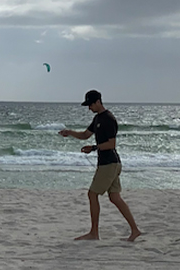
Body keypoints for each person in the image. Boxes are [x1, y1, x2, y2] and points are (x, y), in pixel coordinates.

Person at [58, 90, 141, 241]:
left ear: (98, 102)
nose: (89, 107)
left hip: (109, 163)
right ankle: (135, 230)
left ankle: (94, 233)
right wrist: (69, 132)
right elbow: (85, 135)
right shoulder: (97, 119)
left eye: (90, 104)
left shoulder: (108, 119)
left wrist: (94, 148)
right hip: (110, 163)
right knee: (115, 198)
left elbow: (111, 143)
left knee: (92, 194)